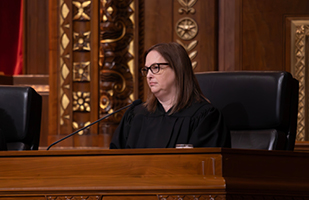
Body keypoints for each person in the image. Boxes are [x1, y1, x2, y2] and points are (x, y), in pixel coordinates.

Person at [110, 42, 230, 149]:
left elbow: (207, 166)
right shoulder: (136, 115)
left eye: (156, 68)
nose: (149, 75)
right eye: (147, 70)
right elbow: (115, 161)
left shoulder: (204, 117)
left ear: (178, 69)